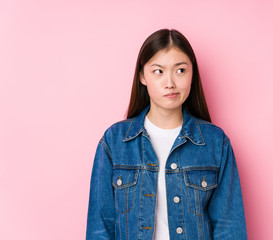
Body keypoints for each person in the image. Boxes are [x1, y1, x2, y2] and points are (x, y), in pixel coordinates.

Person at [86, 29, 247, 240]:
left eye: (180, 70)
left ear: (192, 74)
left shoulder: (216, 144)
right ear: (142, 76)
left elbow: (229, 229)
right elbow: (100, 227)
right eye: (158, 71)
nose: (170, 82)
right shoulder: (114, 142)